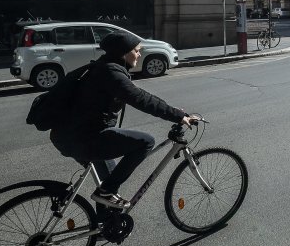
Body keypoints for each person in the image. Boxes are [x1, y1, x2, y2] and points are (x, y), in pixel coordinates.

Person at [50, 32, 196, 209]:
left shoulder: (104, 67)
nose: (139, 54)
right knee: (145, 142)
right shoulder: (111, 73)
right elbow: (141, 99)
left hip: (71, 136)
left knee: (108, 184)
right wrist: (178, 116)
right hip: (84, 138)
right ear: (123, 53)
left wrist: (174, 112)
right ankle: (106, 192)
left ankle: (104, 224)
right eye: (136, 50)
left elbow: (140, 95)